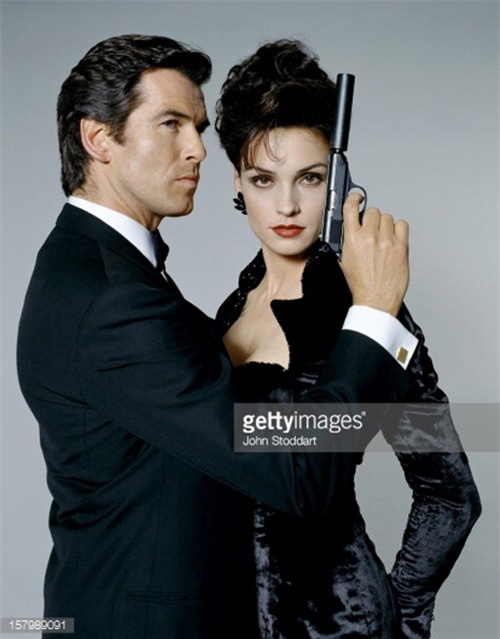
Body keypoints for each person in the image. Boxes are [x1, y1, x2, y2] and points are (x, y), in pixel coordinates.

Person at [16, 34, 420, 639]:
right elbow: (298, 476)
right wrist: (375, 314)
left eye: (199, 129)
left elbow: (445, 481)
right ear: (98, 138)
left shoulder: (104, 271)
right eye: (171, 124)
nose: (196, 150)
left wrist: (393, 612)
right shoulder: (113, 299)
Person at [215, 40, 481, 639]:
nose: (286, 204)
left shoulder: (369, 309)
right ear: (238, 182)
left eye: (309, 178)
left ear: (335, 180)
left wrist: (398, 616)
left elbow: (450, 496)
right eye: (263, 179)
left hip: (340, 624)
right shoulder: (230, 310)